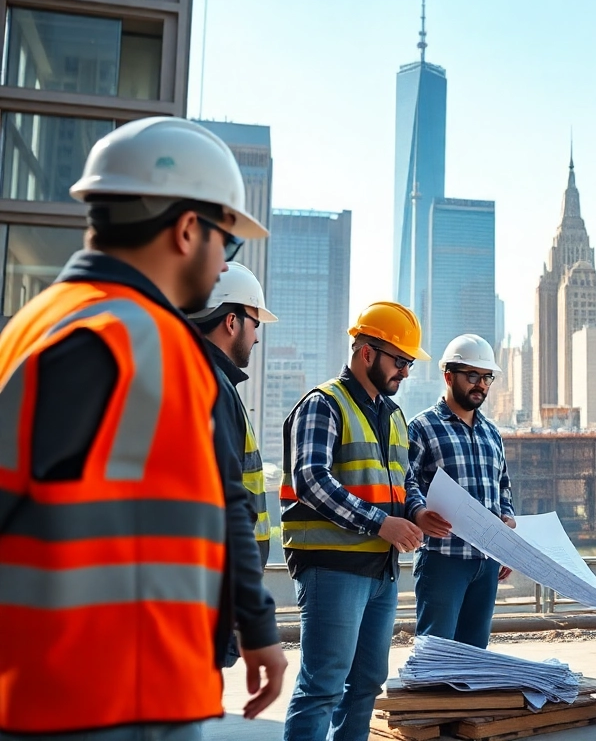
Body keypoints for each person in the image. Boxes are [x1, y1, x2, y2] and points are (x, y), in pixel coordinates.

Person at [0, 117, 284, 738]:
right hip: (109, 699)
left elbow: (218, 500)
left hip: (85, 688)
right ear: (186, 231)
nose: (223, 264)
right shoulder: (138, 342)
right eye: (226, 243)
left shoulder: (36, 327)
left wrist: (256, 624)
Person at [280, 301, 442, 741]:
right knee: (323, 686)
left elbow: (405, 479)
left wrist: (416, 510)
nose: (405, 372)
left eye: (409, 363)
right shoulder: (323, 404)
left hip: (380, 570)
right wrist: (380, 523)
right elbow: (311, 480)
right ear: (367, 352)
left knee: (368, 682)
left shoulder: (393, 415)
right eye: (399, 361)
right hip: (332, 566)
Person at [407, 334, 512, 647]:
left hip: (487, 561)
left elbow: (503, 486)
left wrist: (507, 531)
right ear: (449, 376)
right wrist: (418, 512)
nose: (481, 385)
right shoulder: (421, 427)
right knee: (436, 653)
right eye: (472, 376)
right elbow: (405, 481)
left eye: (486, 377)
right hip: (443, 560)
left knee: (475, 657)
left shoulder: (492, 433)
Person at [188, 262, 279, 563]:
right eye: (255, 325)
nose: (256, 338)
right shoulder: (214, 386)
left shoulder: (202, 377)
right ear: (231, 322)